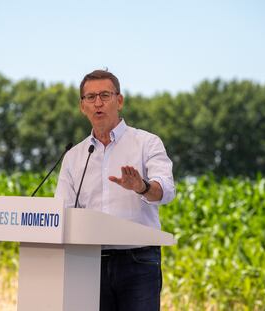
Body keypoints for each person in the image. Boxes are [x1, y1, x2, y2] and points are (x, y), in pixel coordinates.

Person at [55, 69, 175, 311]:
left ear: (119, 101)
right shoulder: (74, 156)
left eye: (105, 95)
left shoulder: (147, 142)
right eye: (90, 97)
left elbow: (166, 191)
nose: (98, 103)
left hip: (138, 261)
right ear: (82, 106)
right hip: (88, 262)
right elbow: (62, 212)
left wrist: (141, 187)